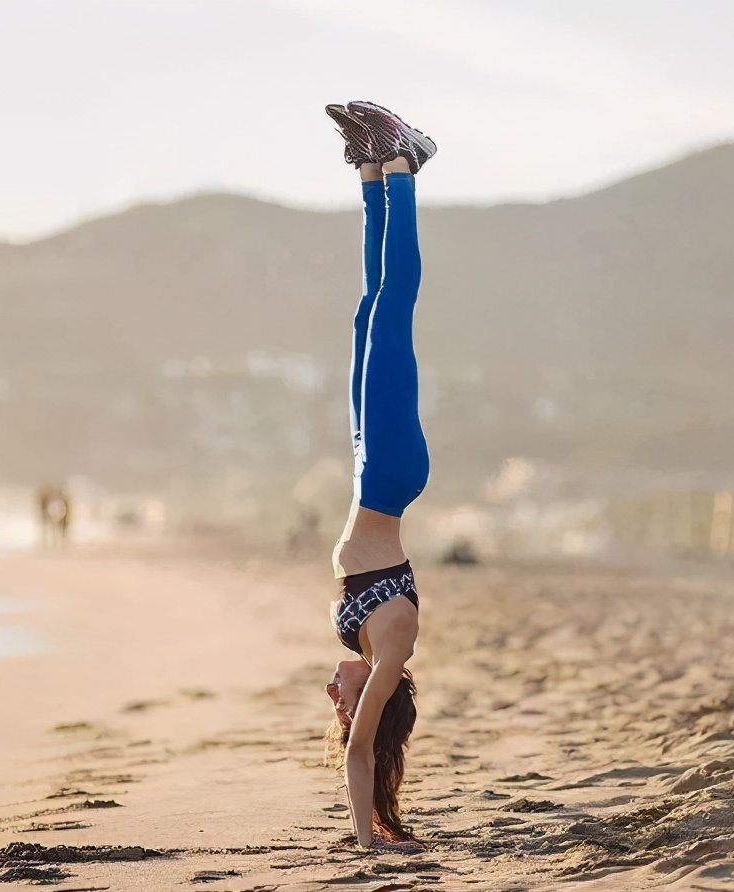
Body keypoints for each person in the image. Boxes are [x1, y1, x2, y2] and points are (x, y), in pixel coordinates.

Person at [323, 101, 436, 852]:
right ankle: (406, 161)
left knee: (367, 318)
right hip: (390, 473)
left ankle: (369, 166)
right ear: (379, 697)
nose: (335, 694)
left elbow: (360, 741)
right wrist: (368, 841)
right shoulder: (392, 648)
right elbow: (362, 753)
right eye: (345, 699)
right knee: (393, 313)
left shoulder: (372, 653)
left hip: (372, 476)